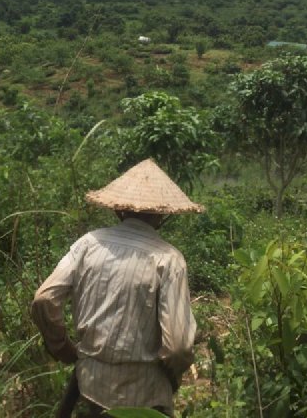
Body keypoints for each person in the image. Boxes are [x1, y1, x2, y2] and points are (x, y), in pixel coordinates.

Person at [31, 159, 202, 417]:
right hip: (146, 393)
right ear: (161, 215)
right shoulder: (169, 259)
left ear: (119, 209)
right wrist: (171, 375)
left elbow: (44, 299)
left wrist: (63, 348)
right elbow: (178, 347)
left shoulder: (88, 244)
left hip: (91, 383)